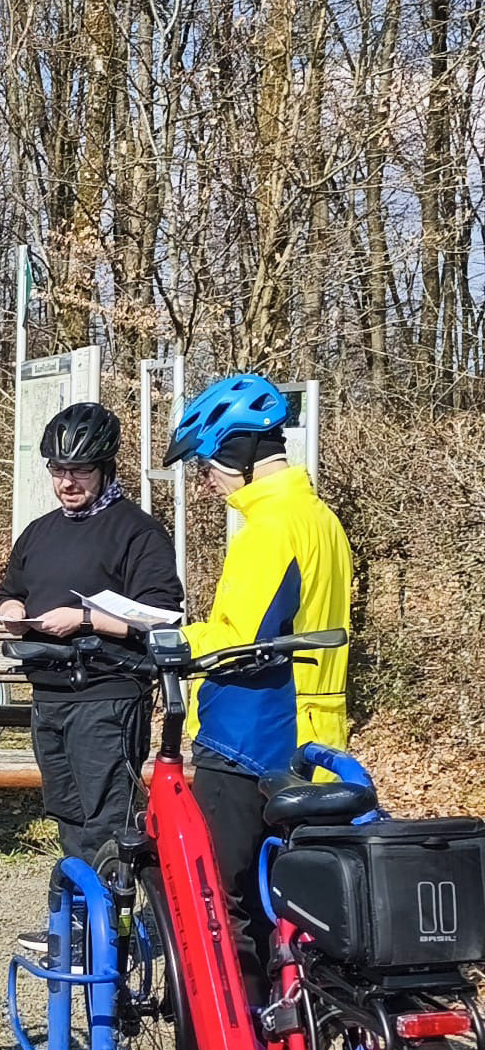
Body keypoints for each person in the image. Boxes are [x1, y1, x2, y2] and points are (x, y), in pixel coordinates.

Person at [165, 372, 350, 1000]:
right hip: (316, 734)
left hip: (253, 741)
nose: (207, 479)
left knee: (228, 907)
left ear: (240, 453)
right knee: (296, 911)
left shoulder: (268, 531)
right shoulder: (319, 517)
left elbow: (240, 640)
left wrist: (163, 642)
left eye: (209, 463)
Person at [0, 403, 184, 872]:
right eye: (58, 471)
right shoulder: (39, 532)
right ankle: (81, 924)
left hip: (107, 694)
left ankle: (111, 933)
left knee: (107, 819)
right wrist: (11, 610)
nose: (67, 483)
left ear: (104, 469)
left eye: (79, 471)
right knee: (67, 816)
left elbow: (163, 617)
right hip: (48, 694)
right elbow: (10, 590)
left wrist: (83, 620)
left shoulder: (137, 532)